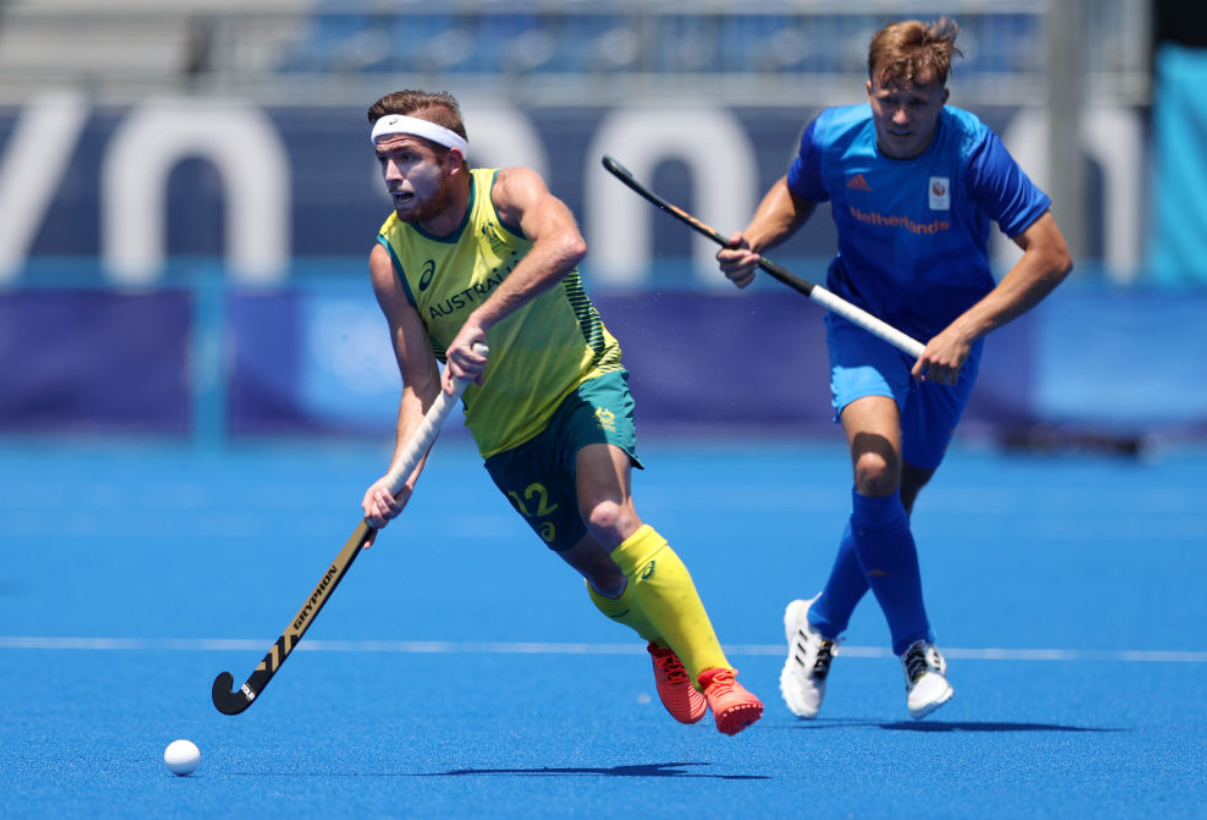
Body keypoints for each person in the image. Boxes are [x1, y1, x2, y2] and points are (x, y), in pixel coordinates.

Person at [359, 90, 763, 736]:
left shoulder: (508, 193)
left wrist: (479, 319)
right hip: (505, 433)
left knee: (609, 516)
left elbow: (567, 243)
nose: (391, 175)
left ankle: (717, 677)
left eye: (407, 158)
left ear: (452, 160)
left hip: (582, 381)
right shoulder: (390, 258)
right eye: (384, 159)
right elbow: (419, 385)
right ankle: (662, 642)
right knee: (602, 572)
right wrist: (400, 475)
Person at [716, 19, 1072, 720]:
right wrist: (754, 240)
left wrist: (964, 331)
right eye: (888, 99)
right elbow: (796, 193)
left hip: (948, 336)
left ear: (943, 98)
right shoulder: (833, 136)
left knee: (893, 504)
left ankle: (818, 621)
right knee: (875, 469)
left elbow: (1051, 255)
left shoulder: (971, 150)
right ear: (868, 90)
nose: (901, 118)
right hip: (861, 319)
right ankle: (916, 648)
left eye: (918, 102)